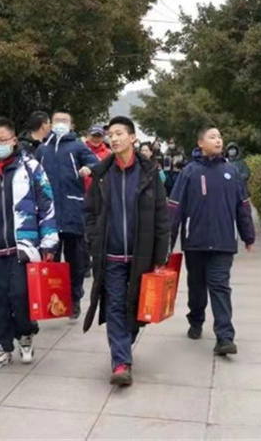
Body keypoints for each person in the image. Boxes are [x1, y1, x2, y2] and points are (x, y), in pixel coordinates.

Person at [0, 117, 59, 371]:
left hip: (23, 247)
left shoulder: (31, 167)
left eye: (3, 140)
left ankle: (25, 334)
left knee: (20, 296)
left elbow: (47, 205)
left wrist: (49, 242)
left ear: (14, 140)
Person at [83, 116, 170, 386]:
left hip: (140, 255)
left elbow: (161, 216)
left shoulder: (149, 174)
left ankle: (124, 342)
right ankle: (121, 363)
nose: (114, 138)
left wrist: (160, 256)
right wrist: (94, 239)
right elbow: (90, 212)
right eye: (111, 134)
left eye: (119, 133)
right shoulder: (102, 174)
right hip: (110, 256)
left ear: (132, 138)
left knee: (135, 311)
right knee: (115, 306)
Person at [168, 125, 255, 356]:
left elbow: (243, 206)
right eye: (212, 137)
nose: (218, 140)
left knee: (219, 286)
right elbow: (174, 208)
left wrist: (248, 235)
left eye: (219, 137)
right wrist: (167, 241)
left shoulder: (232, 172)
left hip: (223, 242)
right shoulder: (189, 172)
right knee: (196, 287)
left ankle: (225, 337)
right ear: (200, 143)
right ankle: (196, 320)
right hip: (195, 242)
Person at [35, 111, 99, 319]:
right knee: (50, 259)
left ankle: (74, 299)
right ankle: (51, 299)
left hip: (73, 211)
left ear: (72, 125)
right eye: (57, 121)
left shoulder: (78, 147)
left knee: (75, 261)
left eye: (64, 121)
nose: (60, 124)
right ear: (50, 124)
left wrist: (88, 168)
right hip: (49, 214)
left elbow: (96, 162)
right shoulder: (43, 149)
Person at [84, 125, 112, 191]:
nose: (96, 139)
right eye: (93, 135)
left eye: (99, 136)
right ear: (87, 136)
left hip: (101, 190)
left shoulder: (109, 153)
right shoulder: (80, 150)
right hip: (82, 190)